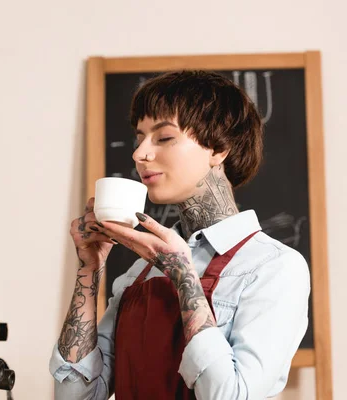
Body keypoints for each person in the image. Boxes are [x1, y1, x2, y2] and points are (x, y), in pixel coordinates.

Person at [49, 70, 310, 399]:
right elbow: (75, 396)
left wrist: (183, 274)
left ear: (218, 148)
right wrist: (90, 267)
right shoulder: (138, 272)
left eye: (164, 137)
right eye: (139, 137)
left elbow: (230, 395)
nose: (139, 154)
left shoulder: (274, 267)